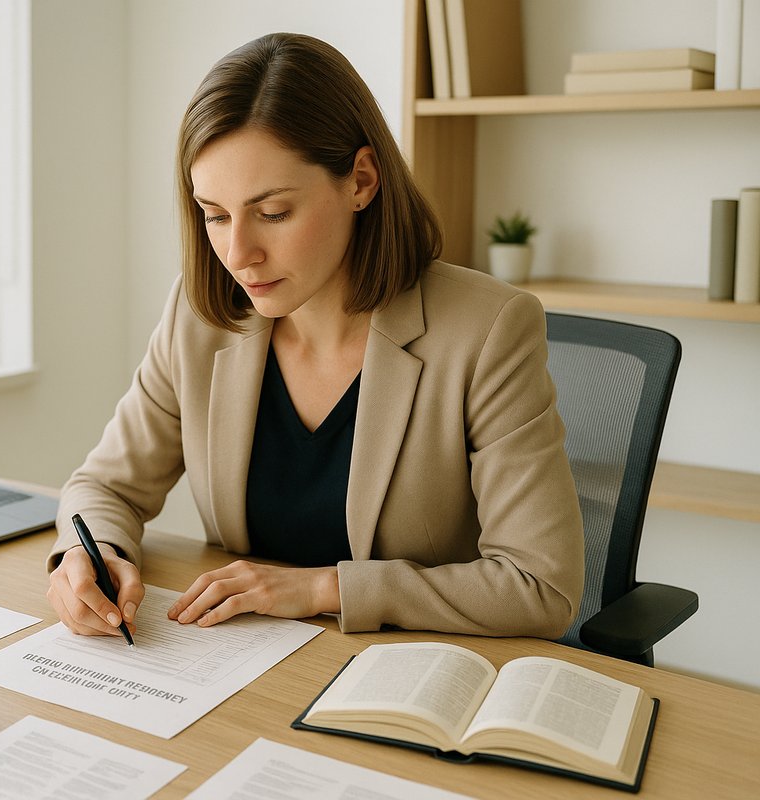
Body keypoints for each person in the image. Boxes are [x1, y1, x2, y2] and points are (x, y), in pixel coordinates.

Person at [45, 32, 583, 641]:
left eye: (273, 213)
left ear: (360, 180)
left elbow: (542, 587)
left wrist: (322, 588)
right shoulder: (201, 319)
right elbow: (105, 485)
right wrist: (90, 553)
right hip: (238, 666)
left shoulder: (487, 330)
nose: (239, 254)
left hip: (402, 669)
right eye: (215, 215)